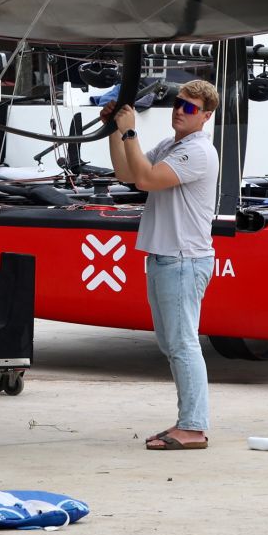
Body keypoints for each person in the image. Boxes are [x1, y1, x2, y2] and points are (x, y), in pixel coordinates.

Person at [100, 79, 222, 451]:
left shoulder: (198, 150)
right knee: (173, 344)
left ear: (206, 116)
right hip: (166, 257)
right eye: (177, 104)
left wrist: (131, 130)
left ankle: (194, 426)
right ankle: (189, 422)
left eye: (189, 108)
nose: (179, 111)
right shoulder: (172, 145)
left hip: (183, 258)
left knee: (183, 344)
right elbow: (127, 173)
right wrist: (114, 131)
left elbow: (148, 179)